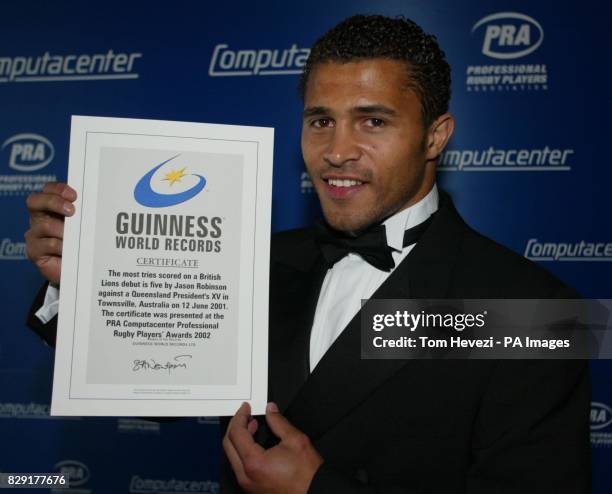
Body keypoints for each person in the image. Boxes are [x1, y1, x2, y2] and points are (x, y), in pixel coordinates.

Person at [26, 15, 590, 494]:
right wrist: (80, 284)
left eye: (373, 121)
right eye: (321, 121)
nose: (337, 151)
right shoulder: (250, 261)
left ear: (435, 136)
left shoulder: (538, 307)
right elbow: (155, 386)